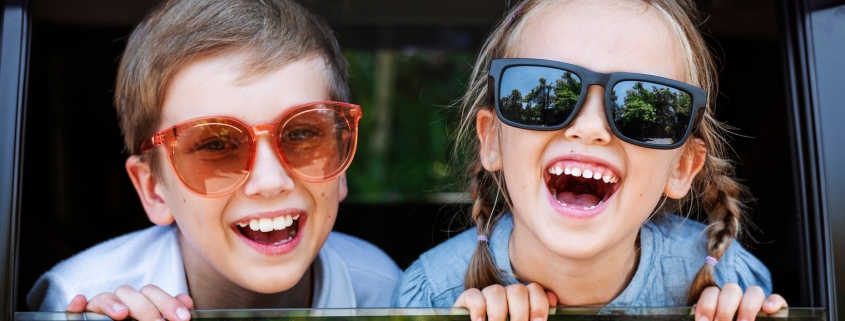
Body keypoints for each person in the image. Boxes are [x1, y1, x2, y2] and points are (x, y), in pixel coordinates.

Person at [392, 1, 788, 321]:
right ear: (493, 139)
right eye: (544, 94)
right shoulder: (432, 296)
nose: (590, 127)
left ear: (682, 167)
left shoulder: (728, 280)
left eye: (645, 104)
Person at [27, 0, 401, 320]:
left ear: (341, 166)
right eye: (216, 147)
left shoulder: (386, 293)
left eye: (302, 134)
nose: (271, 181)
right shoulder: (77, 300)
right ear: (154, 190)